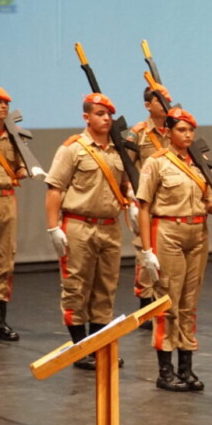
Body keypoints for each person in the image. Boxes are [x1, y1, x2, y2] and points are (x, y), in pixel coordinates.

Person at [137, 108, 212, 392]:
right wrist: (146, 249)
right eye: (181, 130)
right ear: (168, 132)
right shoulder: (156, 163)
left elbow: (209, 200)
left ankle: (186, 367)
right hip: (168, 231)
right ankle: (165, 370)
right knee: (167, 300)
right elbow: (143, 206)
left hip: (198, 232)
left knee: (190, 302)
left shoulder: (199, 162)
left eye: (191, 130)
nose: (188, 135)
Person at [45, 93, 133, 370]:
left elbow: (126, 183)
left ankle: (97, 348)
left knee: (105, 288)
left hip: (109, 227)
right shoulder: (73, 148)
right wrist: (52, 227)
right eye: (99, 113)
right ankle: (79, 347)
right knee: (76, 286)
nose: (105, 118)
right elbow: (55, 188)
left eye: (108, 114)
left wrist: (129, 199)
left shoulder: (120, 149)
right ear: (86, 117)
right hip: (78, 225)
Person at [0, 85, 38, 342]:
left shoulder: (13, 136)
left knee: (5, 261)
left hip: (7, 200)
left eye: (6, 104)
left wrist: (27, 169)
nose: (3, 107)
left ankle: (1, 320)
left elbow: (20, 167)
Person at [126, 83, 172, 330]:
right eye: (159, 102)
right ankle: (144, 307)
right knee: (145, 253)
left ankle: (162, 302)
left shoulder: (176, 129)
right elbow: (127, 167)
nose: (165, 106)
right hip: (146, 201)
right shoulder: (139, 133)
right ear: (148, 105)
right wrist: (131, 199)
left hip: (171, 201)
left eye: (167, 101)